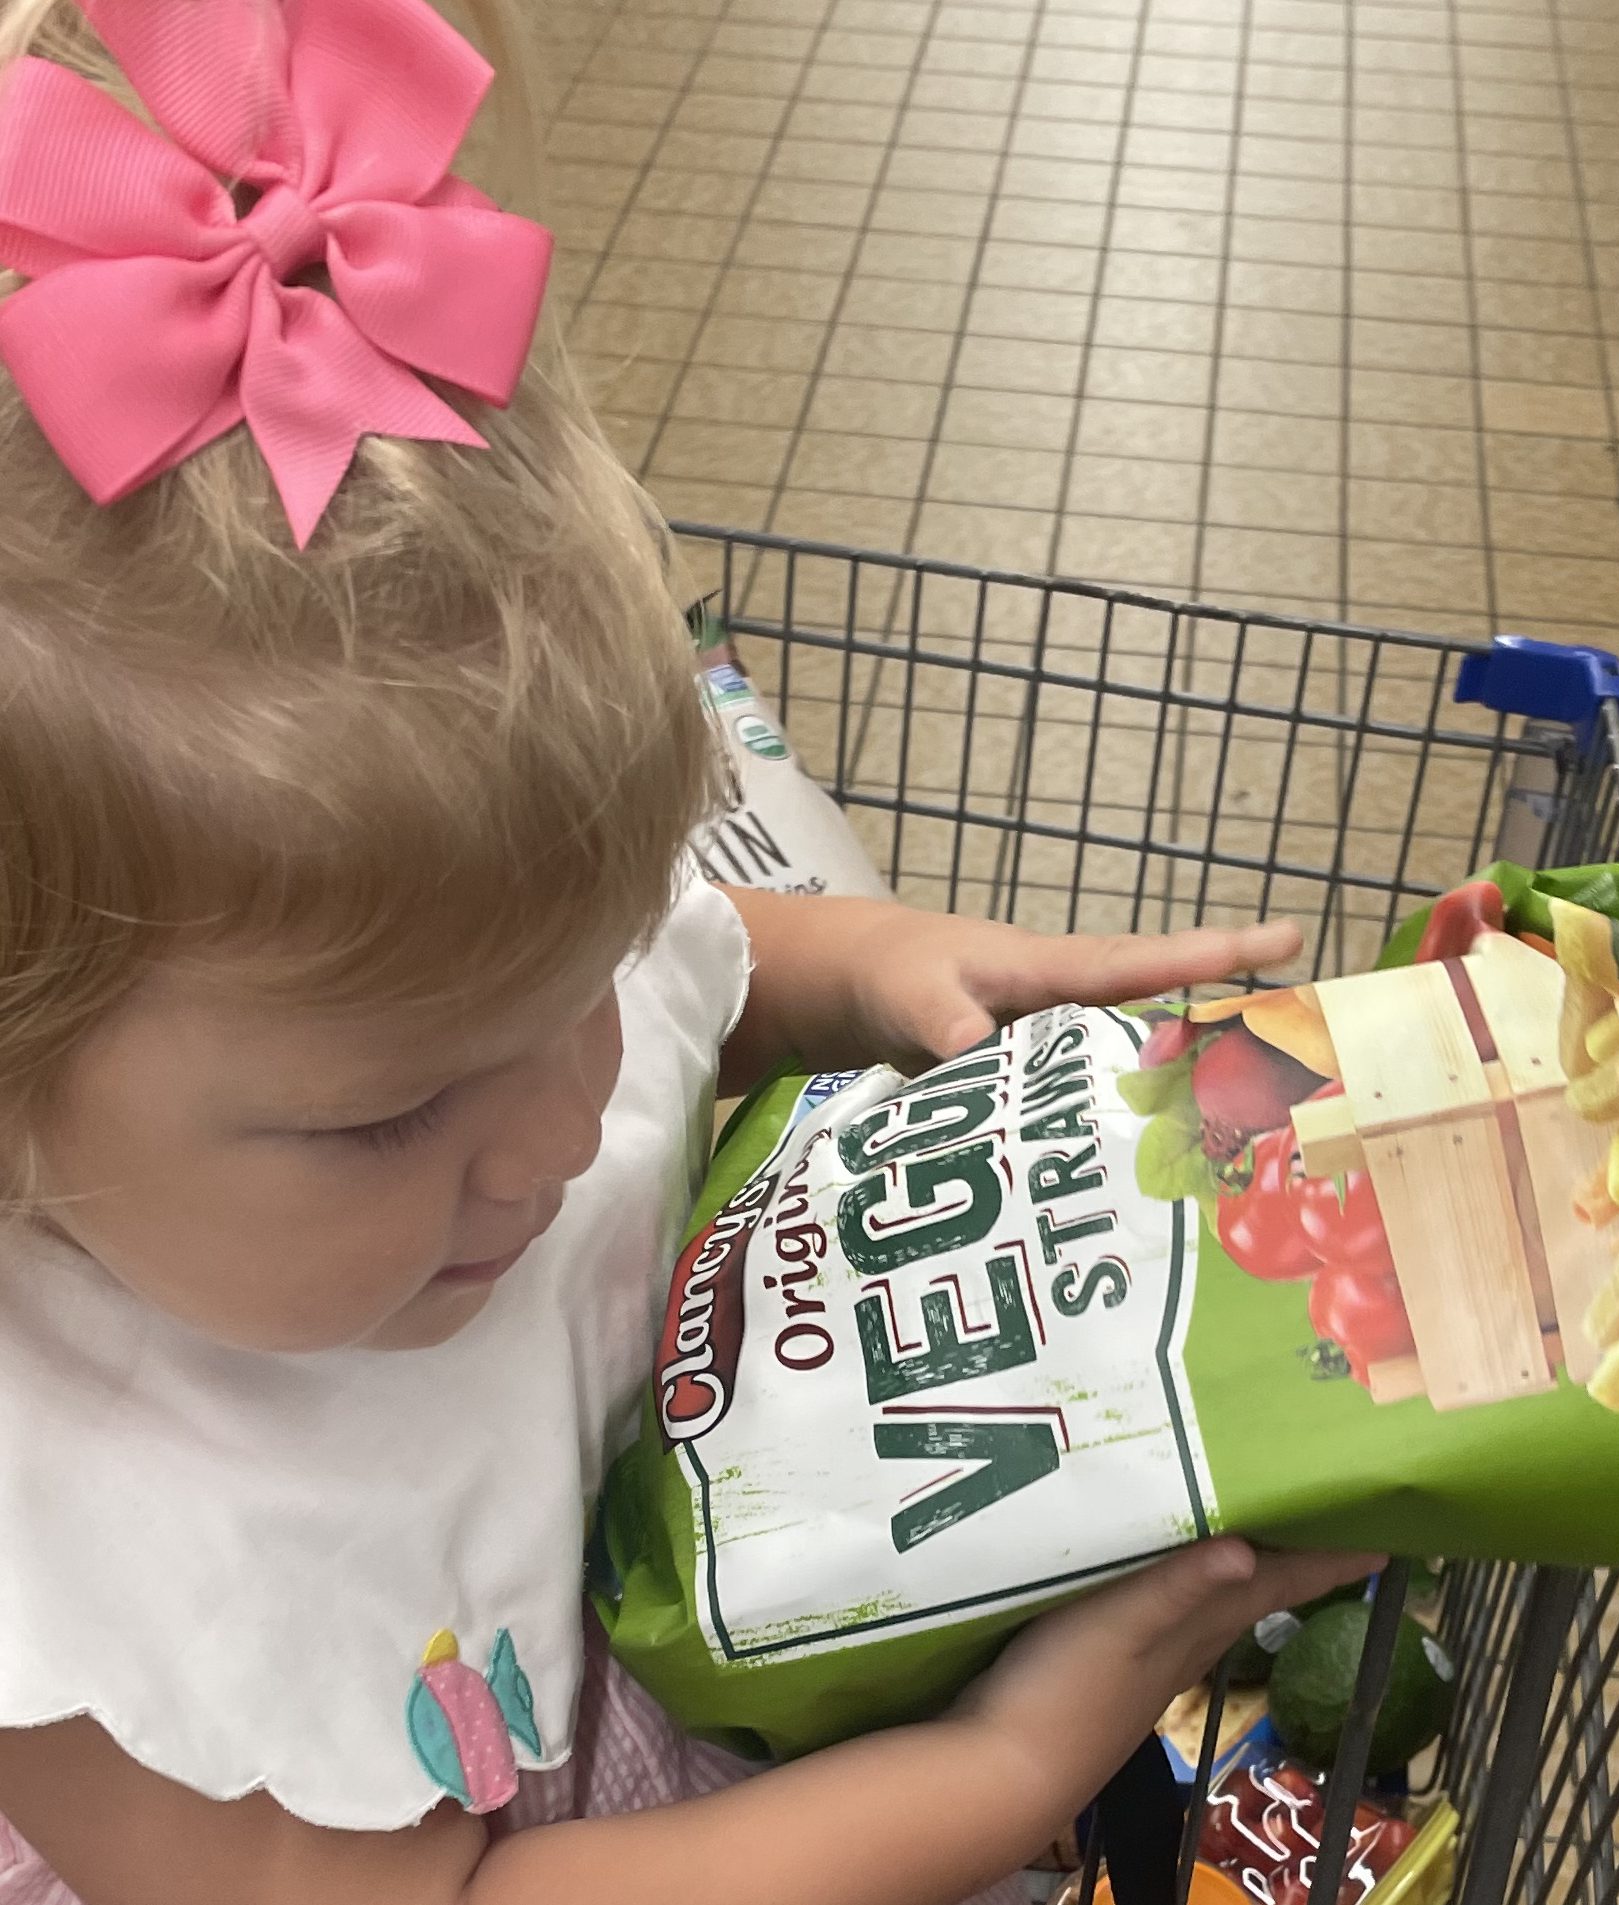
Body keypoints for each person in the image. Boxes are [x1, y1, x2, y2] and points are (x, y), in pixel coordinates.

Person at [0, 1, 1373, 1899]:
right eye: (390, 1117)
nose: (566, 1135)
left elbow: (695, 953)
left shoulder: (401, 1029)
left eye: (585, 974)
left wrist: (869, 966)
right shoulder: (75, 1573)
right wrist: (997, 1767)